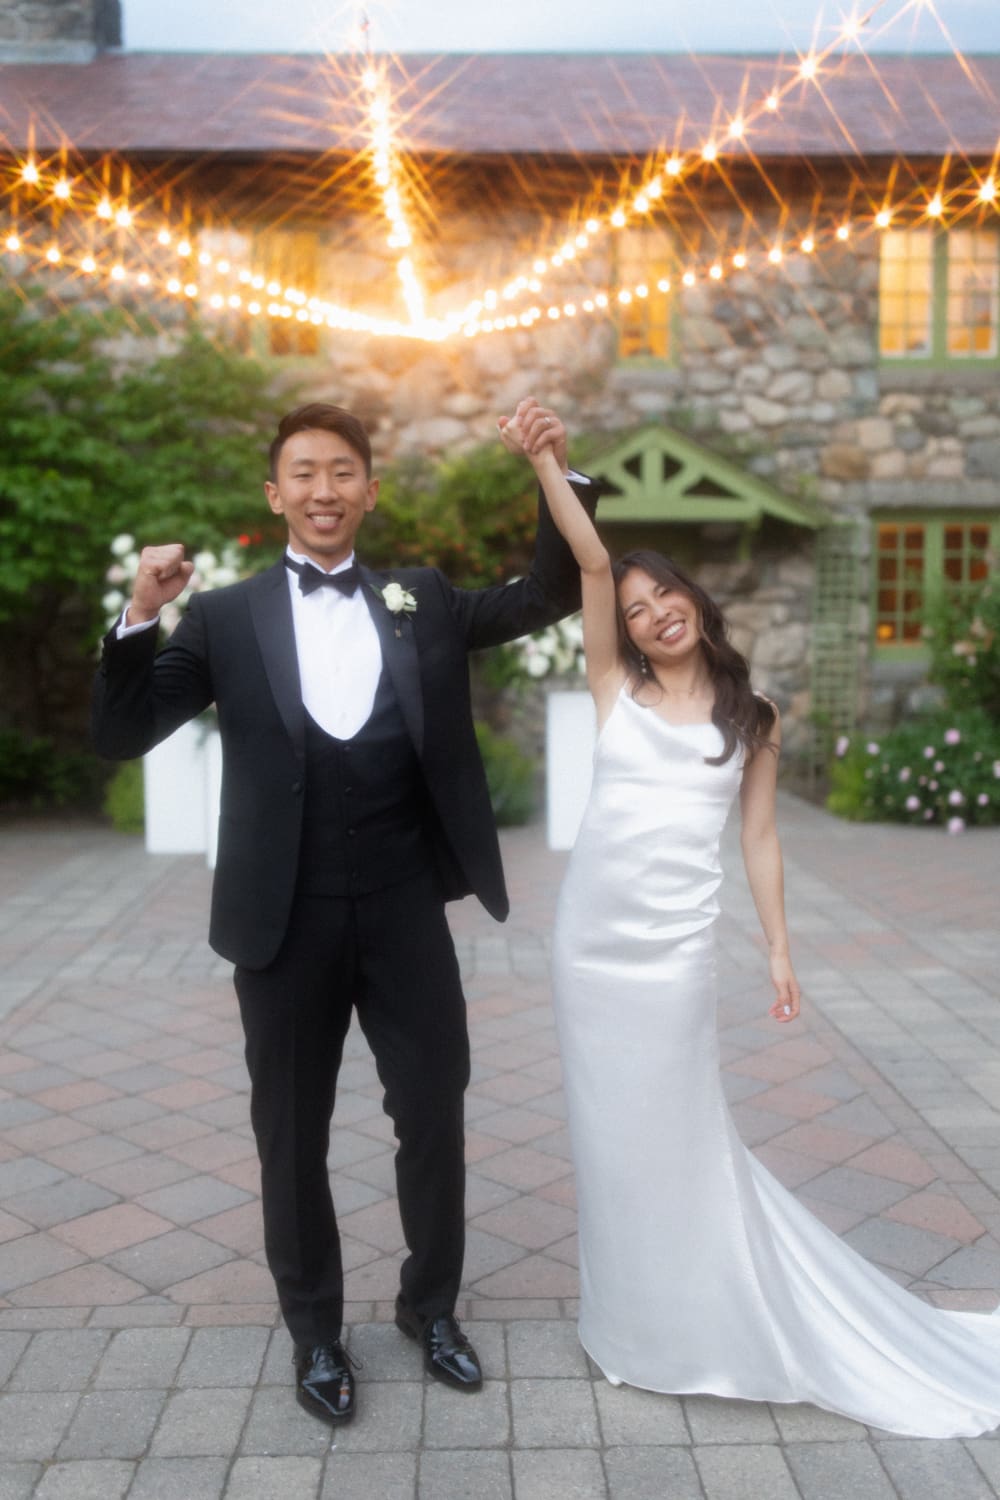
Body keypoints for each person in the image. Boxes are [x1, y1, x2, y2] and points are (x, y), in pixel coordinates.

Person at [92, 397, 595, 1427]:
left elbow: (548, 592)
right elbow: (124, 730)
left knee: (434, 1109)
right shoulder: (225, 618)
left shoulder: (422, 598)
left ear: (370, 489)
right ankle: (316, 1332)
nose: (325, 491)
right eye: (304, 474)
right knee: (291, 1131)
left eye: (343, 473)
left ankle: (430, 1307)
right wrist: (141, 614)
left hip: (406, 904)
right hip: (281, 920)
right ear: (275, 494)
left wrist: (551, 465)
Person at [498, 408, 1000, 1439]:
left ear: (694, 599)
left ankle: (705, 1319)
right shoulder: (613, 691)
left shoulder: (752, 715)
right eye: (636, 610)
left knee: (676, 1134)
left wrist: (778, 948)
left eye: (663, 594)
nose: (650, 614)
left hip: (674, 957)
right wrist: (548, 462)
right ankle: (632, 1326)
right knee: (607, 1142)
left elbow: (760, 842)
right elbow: (589, 566)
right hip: (589, 952)